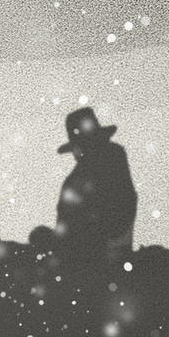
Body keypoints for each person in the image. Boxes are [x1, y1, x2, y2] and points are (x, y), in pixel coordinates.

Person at [30, 106, 135, 272]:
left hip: (91, 257)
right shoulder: (112, 157)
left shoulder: (93, 168)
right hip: (102, 251)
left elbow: (115, 213)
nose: (75, 154)